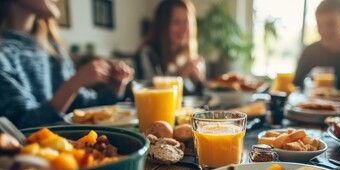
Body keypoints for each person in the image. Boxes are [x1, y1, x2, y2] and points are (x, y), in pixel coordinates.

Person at [0, 0, 134, 128]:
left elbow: (84, 108)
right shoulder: (4, 55)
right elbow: (21, 125)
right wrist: (72, 85)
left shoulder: (53, 50)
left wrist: (114, 88)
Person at [134, 0, 205, 96]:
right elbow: (151, 95)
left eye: (186, 22)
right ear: (162, 25)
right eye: (176, 22)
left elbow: (198, 100)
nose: (184, 29)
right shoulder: (147, 54)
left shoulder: (185, 58)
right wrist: (180, 77)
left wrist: (199, 80)